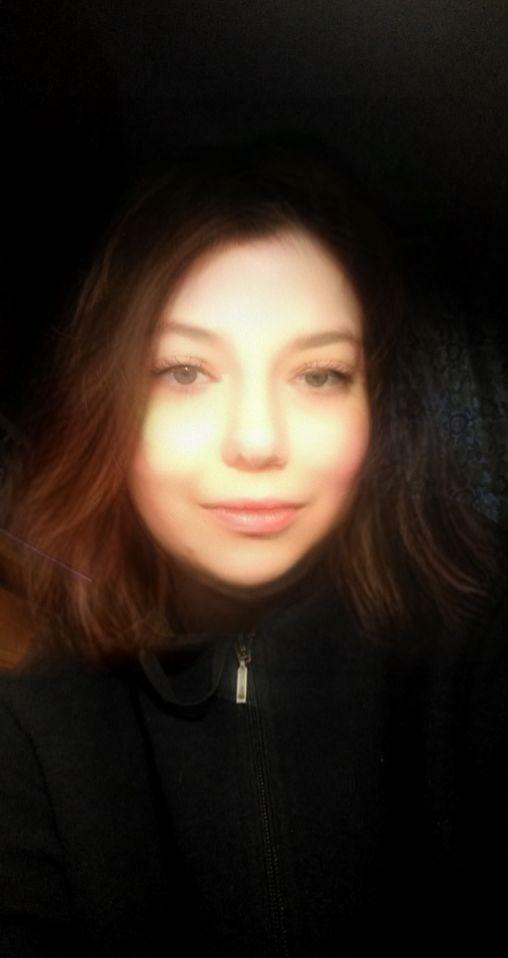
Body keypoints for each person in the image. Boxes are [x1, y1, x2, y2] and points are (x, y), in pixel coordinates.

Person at [0, 132, 506, 957]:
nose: (258, 440)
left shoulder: (477, 658)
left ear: (379, 406)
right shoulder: (29, 710)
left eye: (319, 374)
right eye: (185, 371)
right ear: (107, 401)